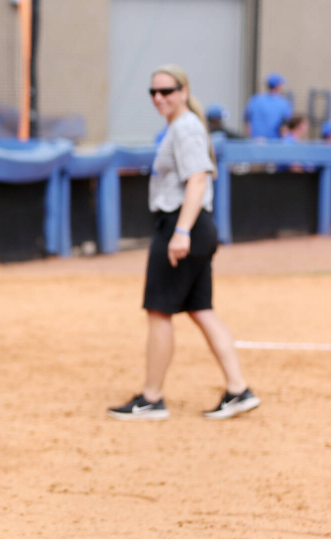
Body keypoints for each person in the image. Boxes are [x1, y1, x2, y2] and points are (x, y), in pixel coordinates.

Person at [109, 65, 259, 422]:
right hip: (193, 226)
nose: (160, 98)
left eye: (168, 90)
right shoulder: (182, 126)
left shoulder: (186, 126)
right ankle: (238, 389)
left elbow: (197, 181)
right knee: (201, 308)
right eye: (154, 92)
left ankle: (151, 398)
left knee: (159, 311)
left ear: (183, 90)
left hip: (182, 224)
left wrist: (181, 232)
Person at [244, 72, 293, 141]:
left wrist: (250, 140)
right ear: (278, 86)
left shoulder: (254, 100)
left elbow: (247, 123)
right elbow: (284, 127)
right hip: (273, 144)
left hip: (256, 142)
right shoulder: (283, 104)